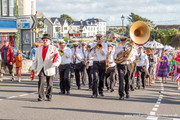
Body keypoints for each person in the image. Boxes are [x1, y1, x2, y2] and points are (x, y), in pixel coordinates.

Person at [31, 34, 61, 101]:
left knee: (50, 83)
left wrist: (56, 64)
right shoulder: (38, 49)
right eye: (43, 40)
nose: (45, 41)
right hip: (41, 67)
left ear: (49, 41)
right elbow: (35, 60)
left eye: (46, 40)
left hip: (50, 67)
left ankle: (48, 95)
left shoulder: (54, 48)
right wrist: (33, 67)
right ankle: (40, 96)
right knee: (41, 82)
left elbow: (58, 58)